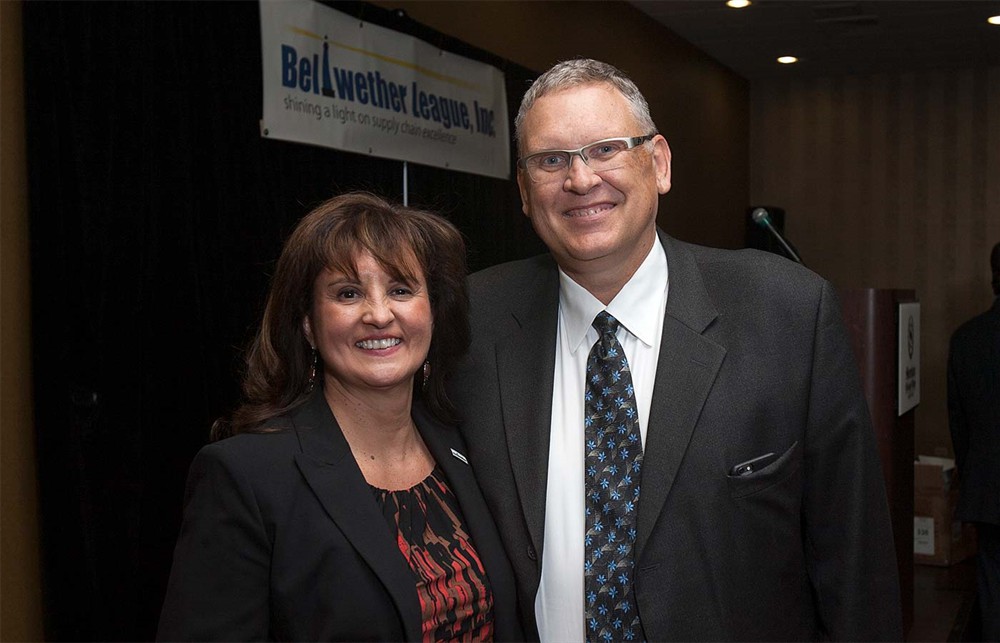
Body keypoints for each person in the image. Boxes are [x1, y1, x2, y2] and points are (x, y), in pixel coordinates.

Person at [450, 59, 902, 641]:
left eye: (606, 149)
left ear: (659, 163)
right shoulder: (471, 322)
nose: (581, 180)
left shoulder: (786, 313)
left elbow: (856, 564)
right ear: (523, 190)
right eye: (551, 160)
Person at [157, 192, 522, 641]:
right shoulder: (245, 477)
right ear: (308, 324)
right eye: (348, 293)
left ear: (432, 312)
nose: (379, 314)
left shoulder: (468, 443)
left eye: (400, 290)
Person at [948, 241, 1000, 641]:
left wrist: (969, 477)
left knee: (993, 592)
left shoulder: (967, 338)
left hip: (988, 490)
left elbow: (959, 424)